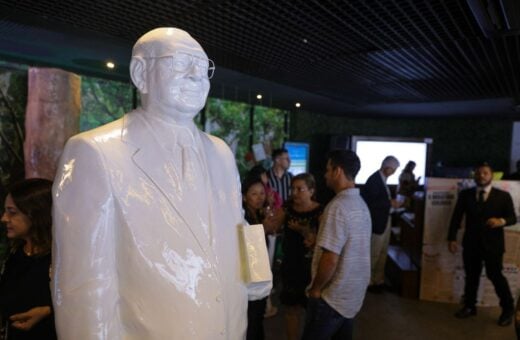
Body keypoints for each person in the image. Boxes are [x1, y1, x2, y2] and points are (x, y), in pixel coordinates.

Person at [52, 27, 271, 339]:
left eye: (204, 65)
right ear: (141, 72)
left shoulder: (221, 152)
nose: (198, 75)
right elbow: (83, 285)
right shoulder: (95, 152)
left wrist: (257, 274)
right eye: (181, 62)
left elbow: (238, 225)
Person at [302, 150, 371, 340]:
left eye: (327, 170)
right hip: (352, 296)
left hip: (331, 297)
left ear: (337, 171)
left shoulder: (337, 207)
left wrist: (316, 289)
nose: (325, 175)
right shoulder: (361, 204)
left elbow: (330, 258)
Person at [447, 162, 516, 327]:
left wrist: (500, 221)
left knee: (495, 276)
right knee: (471, 277)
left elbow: (512, 218)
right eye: (478, 173)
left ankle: (508, 309)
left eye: (485, 173)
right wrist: (451, 238)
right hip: (471, 243)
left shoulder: (503, 196)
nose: (481, 175)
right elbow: (456, 217)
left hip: (493, 245)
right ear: (474, 176)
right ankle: (470, 307)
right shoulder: (466, 195)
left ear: (491, 175)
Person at [0, 178, 56, 340]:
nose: (4, 218)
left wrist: (47, 311)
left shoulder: (61, 258)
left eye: (12, 212)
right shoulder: (16, 252)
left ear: (35, 213)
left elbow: (83, 303)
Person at [275, 173, 323, 340]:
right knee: (291, 310)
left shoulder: (320, 211)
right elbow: (271, 226)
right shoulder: (287, 209)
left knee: (314, 311)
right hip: (291, 264)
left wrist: (304, 231)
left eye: (299, 189)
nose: (294, 193)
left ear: (311, 191)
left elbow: (326, 240)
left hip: (312, 266)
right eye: (292, 189)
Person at [242, 177, 277, 340]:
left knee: (257, 320)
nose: (259, 197)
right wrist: (264, 229)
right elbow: (249, 248)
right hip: (251, 282)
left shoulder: (258, 214)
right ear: (244, 197)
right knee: (253, 321)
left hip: (259, 277)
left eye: (262, 193)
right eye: (254, 194)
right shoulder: (243, 218)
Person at [361, 155, 401, 293]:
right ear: (387, 168)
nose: (394, 172)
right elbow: (369, 203)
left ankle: (378, 280)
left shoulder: (381, 179)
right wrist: (389, 203)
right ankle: (369, 282)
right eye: (394, 169)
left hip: (384, 220)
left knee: (382, 252)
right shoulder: (374, 180)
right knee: (374, 252)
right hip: (377, 222)